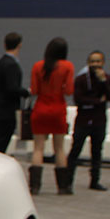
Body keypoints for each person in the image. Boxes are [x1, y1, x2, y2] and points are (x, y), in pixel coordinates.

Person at [28, 36, 75, 195]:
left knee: (38, 148)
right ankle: (63, 187)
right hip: (58, 109)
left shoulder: (37, 66)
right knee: (59, 148)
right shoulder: (67, 66)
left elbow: (34, 90)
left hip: (40, 108)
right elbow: (69, 91)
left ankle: (35, 186)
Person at [67, 50, 110, 192]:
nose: (95, 64)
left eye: (98, 61)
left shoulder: (109, 79)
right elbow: (78, 99)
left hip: (99, 120)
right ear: (88, 63)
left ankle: (95, 180)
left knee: (97, 151)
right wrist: (97, 101)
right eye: (92, 61)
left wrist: (104, 82)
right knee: (75, 149)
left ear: (103, 63)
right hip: (83, 119)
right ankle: (68, 181)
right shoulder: (81, 79)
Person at [0, 32, 26, 155]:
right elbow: (12, 88)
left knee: (0, 140)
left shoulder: (1, 62)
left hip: (0, 109)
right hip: (6, 110)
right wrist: (26, 92)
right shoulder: (11, 64)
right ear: (19, 45)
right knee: (1, 143)